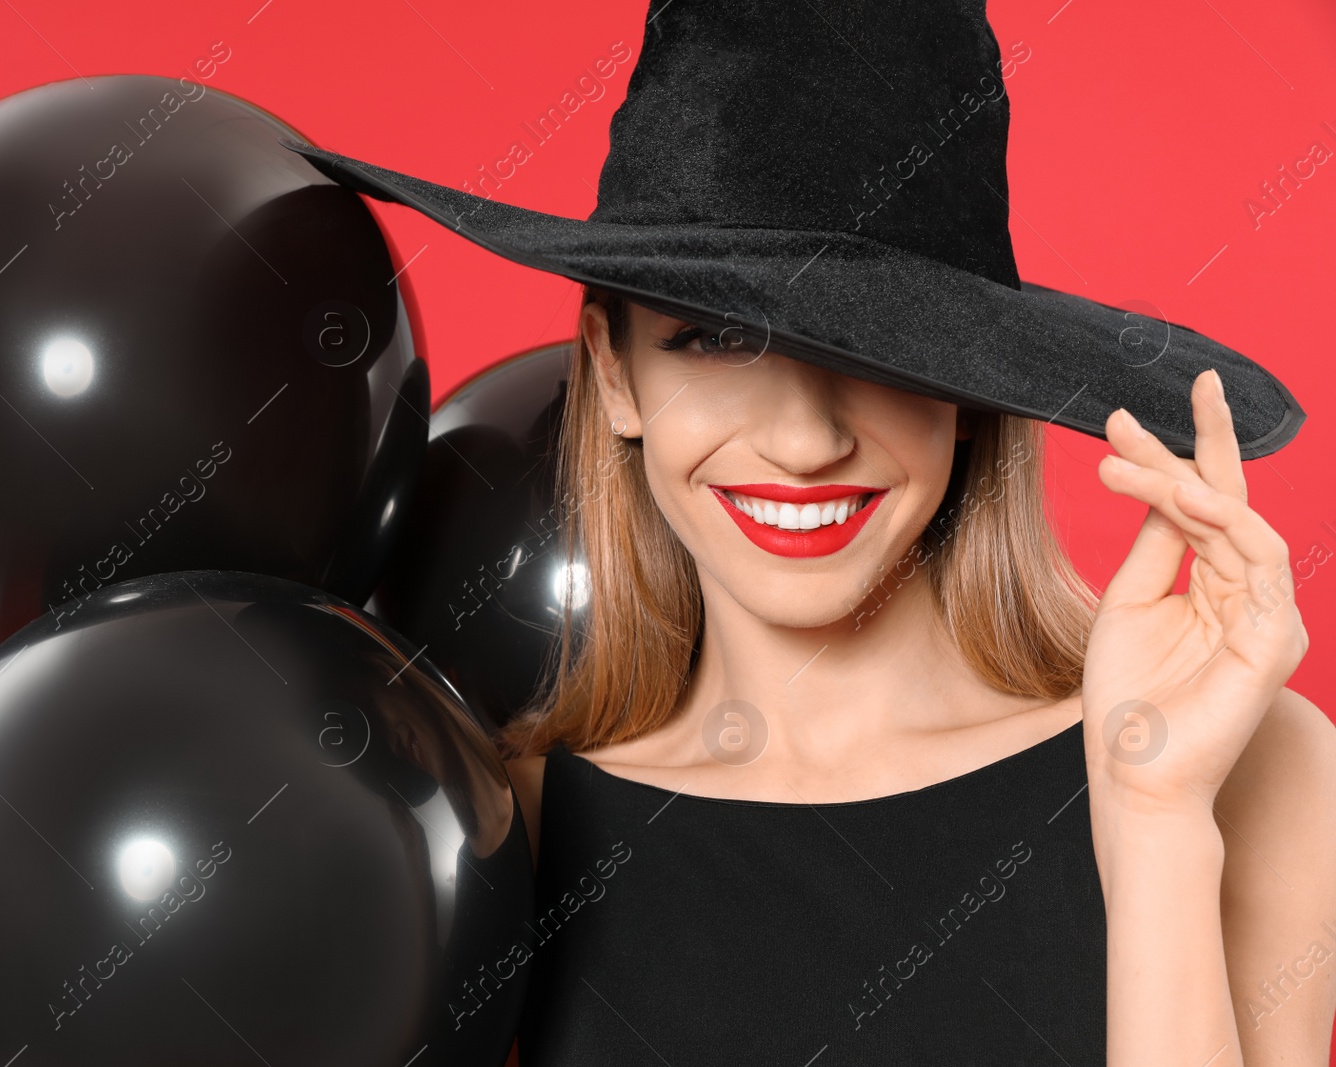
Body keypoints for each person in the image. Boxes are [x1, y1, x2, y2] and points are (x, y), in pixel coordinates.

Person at [285, 1, 1333, 1062]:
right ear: (613, 371)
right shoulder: (497, 834)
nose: (801, 439)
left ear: (969, 382)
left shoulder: (1251, 762)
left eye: (877, 346)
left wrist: (1153, 818)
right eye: (717, 337)